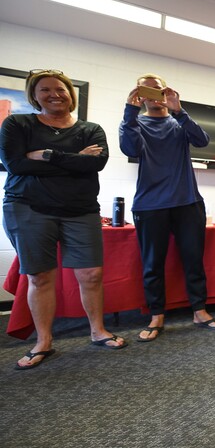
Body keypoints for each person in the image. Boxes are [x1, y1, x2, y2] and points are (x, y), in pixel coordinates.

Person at [0, 69, 127, 369]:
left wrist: (45, 155)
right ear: (34, 96)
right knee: (39, 276)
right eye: (45, 90)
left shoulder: (91, 129)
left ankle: (98, 331)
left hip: (80, 209)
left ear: (71, 94)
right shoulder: (18, 123)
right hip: (28, 207)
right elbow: (15, 164)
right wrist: (74, 160)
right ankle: (43, 341)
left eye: (61, 89)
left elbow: (96, 163)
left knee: (91, 275)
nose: (54, 94)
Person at [119, 73, 215, 342]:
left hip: (187, 202)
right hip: (150, 205)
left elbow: (202, 141)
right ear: (141, 96)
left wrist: (180, 110)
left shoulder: (179, 122)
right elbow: (129, 147)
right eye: (148, 91)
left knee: (193, 260)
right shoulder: (136, 123)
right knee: (152, 264)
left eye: (159, 89)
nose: (155, 95)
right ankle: (157, 316)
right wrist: (130, 112)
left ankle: (199, 311)